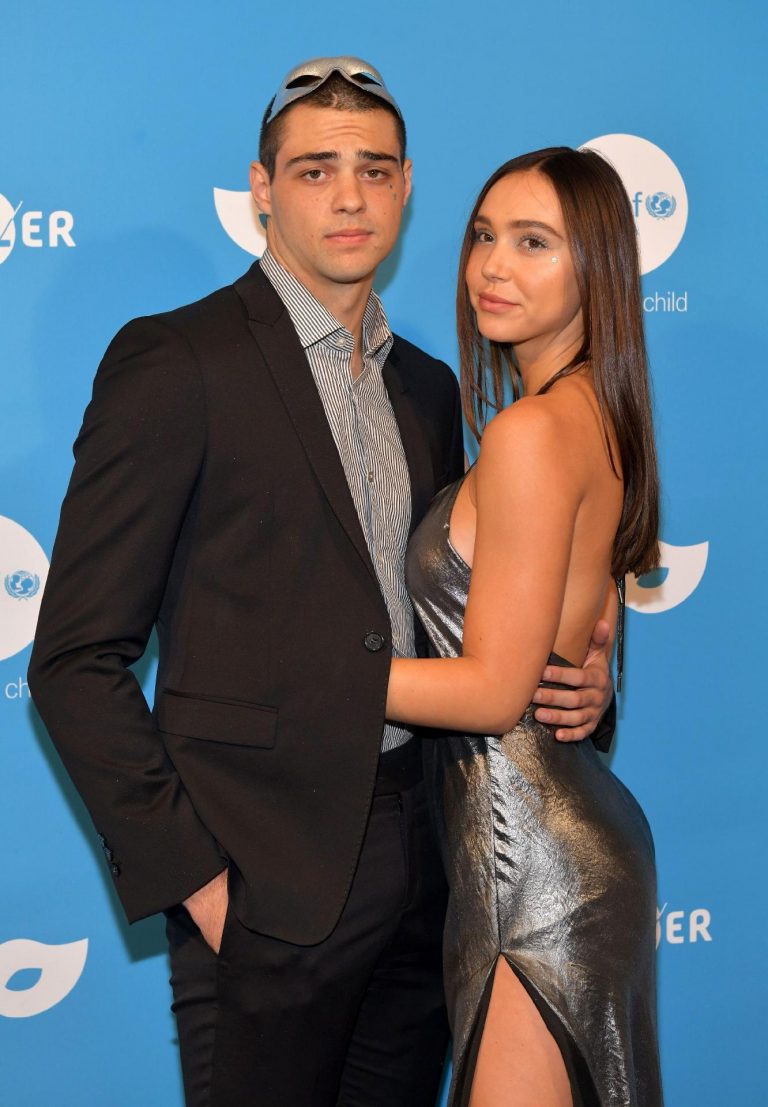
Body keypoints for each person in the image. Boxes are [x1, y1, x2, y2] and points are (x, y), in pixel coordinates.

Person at [28, 61, 614, 1107]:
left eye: (374, 171)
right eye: (314, 171)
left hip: (431, 871)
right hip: (261, 881)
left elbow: (464, 618)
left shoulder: (429, 388)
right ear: (262, 188)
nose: (349, 198)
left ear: (407, 186)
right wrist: (201, 883)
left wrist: (580, 673)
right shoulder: (177, 362)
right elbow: (74, 659)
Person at [385, 148, 664, 1106]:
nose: (492, 267)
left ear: (598, 269)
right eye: (483, 236)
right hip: (550, 849)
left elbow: (494, 690)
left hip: (534, 871)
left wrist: (306, 676)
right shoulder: (594, 414)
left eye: (534, 242)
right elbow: (577, 632)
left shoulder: (533, 432)